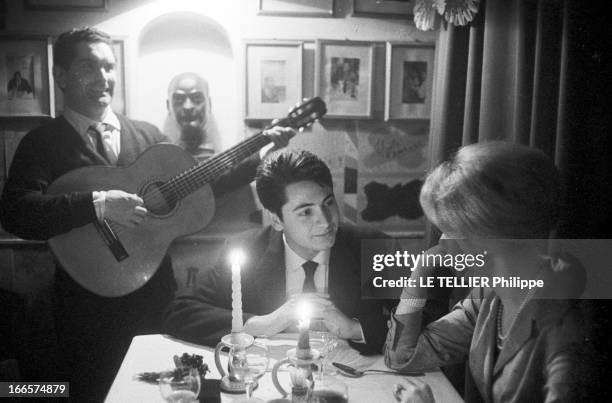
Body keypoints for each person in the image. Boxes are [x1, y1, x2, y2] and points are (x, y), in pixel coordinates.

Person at [0, 27, 292, 402]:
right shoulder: (42, 143)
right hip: (84, 306)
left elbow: (198, 183)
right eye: (88, 67)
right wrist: (98, 204)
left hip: (154, 299)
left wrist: (262, 154)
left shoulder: (146, 136)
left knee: (157, 392)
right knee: (94, 393)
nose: (103, 77)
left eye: (108, 67)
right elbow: (16, 212)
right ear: (60, 76)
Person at [384, 142, 587, 402]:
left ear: (489, 238)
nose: (442, 244)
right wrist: (420, 273)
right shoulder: (490, 298)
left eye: (450, 230)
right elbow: (403, 357)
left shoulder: (566, 327)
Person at [163, 149, 391, 354]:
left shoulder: (375, 246)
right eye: (305, 212)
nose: (325, 221)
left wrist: (355, 329)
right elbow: (180, 312)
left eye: (328, 202)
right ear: (276, 220)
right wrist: (260, 324)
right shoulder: (245, 250)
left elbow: (423, 317)